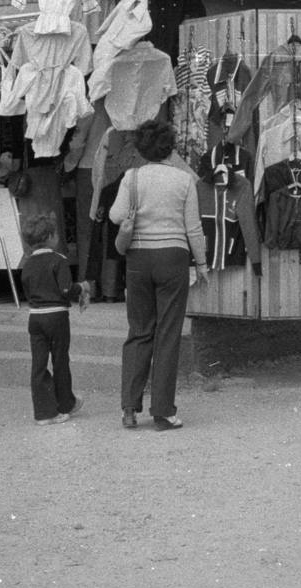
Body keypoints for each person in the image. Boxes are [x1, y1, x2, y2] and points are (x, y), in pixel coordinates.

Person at [109, 119, 207, 431]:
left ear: (140, 148)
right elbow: (193, 228)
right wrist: (202, 265)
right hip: (173, 258)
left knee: (139, 331)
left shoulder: (132, 177)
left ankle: (128, 407)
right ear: (170, 147)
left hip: (138, 258)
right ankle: (163, 412)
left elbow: (114, 215)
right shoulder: (184, 180)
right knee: (168, 334)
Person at [20, 211, 87, 425]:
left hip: (36, 317)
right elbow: (66, 289)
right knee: (60, 360)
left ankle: (43, 413)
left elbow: (27, 289)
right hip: (57, 317)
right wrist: (83, 288)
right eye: (56, 234)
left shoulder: (27, 263)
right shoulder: (59, 261)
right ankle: (65, 403)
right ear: (50, 236)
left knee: (38, 363)